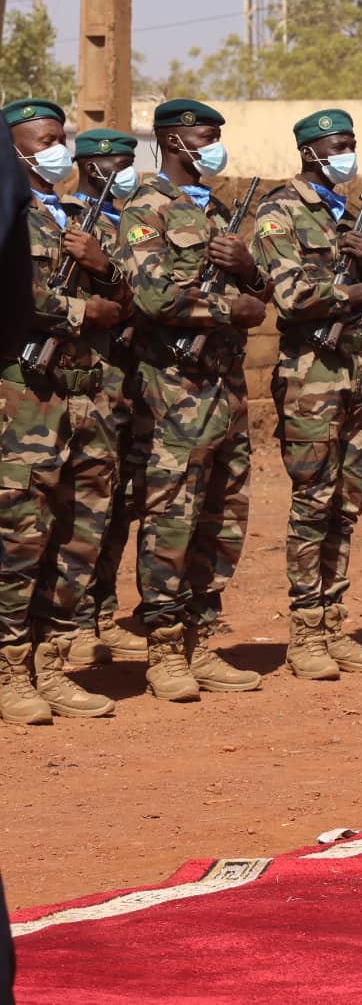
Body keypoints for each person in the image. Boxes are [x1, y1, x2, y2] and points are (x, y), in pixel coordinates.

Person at [120, 99, 272, 702]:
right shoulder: (144, 211)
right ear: (173, 141)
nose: (214, 146)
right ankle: (163, 650)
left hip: (226, 391)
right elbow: (151, 299)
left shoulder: (220, 212)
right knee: (171, 519)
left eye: (216, 136)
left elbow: (258, 293)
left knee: (223, 517)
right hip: (173, 393)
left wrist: (250, 269)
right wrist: (228, 308)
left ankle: (202, 639)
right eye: (205, 136)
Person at [248, 108, 362, 679]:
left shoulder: (345, 215)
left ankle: (334, 623)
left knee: (346, 504)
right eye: (338, 145)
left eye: (351, 144)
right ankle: (305, 633)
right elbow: (291, 296)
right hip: (311, 375)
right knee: (313, 503)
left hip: (355, 369)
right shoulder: (279, 212)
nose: (347, 155)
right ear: (310, 151)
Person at [0, 99, 129, 723]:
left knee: (80, 534)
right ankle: (9, 672)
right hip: (26, 402)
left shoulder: (84, 214)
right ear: (15, 150)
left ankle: (52, 666)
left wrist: (105, 272)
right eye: (44, 140)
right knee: (21, 537)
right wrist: (82, 312)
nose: (57, 150)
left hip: (90, 398)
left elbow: (134, 294)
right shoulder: (8, 217)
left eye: (61, 138)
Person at [70, 128, 151, 668]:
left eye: (130, 161)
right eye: (117, 162)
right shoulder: (71, 221)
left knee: (121, 503)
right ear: (92, 166)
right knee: (81, 506)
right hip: (87, 381)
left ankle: (101, 611)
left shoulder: (130, 223)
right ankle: (72, 622)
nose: (125, 171)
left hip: (131, 382)